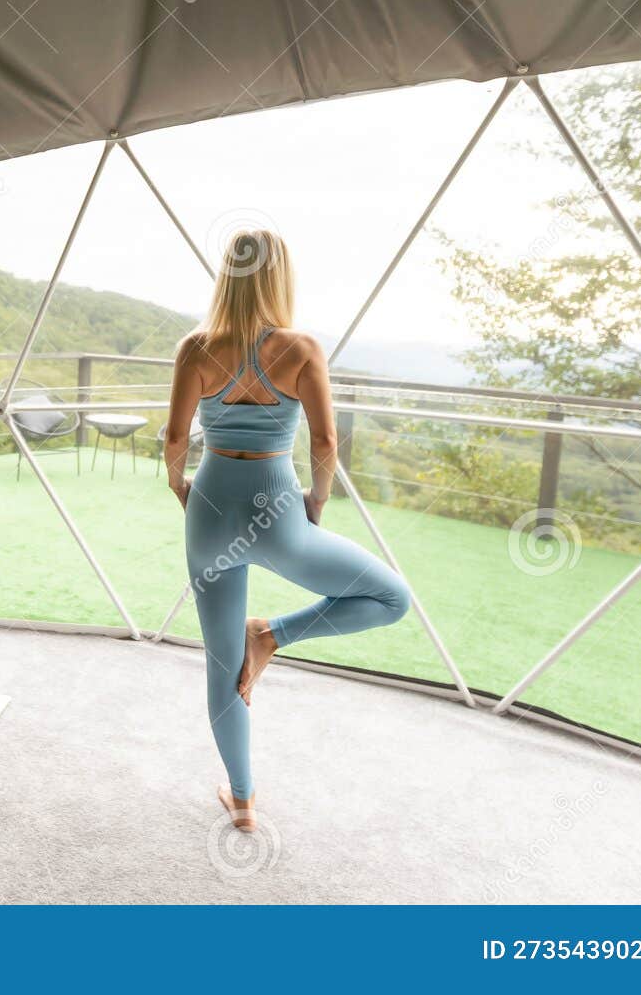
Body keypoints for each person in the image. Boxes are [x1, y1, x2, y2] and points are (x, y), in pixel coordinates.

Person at [164, 229, 411, 832]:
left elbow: (173, 443)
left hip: (211, 505)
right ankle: (273, 635)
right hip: (279, 511)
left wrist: (181, 488)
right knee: (391, 598)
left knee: (221, 663)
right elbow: (326, 442)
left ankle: (243, 801)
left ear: (228, 275)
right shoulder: (302, 348)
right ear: (280, 278)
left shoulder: (195, 348)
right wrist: (316, 504)